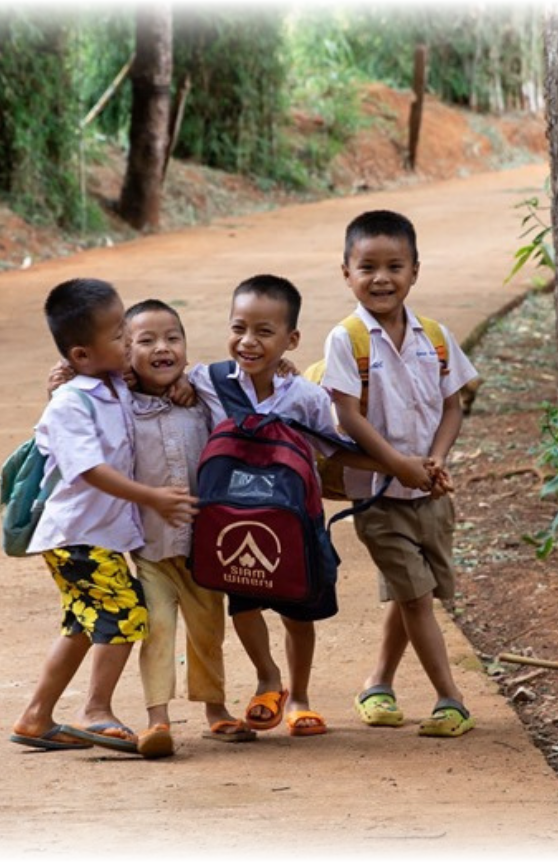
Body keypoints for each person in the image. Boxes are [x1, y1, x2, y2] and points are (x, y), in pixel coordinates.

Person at [189, 274, 431, 738]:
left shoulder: (304, 396)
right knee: (243, 604)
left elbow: (335, 449)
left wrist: (398, 465)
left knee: (299, 610)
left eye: (265, 331)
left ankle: (299, 697)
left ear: (291, 339)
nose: (248, 341)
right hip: (234, 522)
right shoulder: (206, 381)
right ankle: (268, 678)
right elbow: (148, 377)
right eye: (239, 328)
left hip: (297, 522)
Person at [9, 278, 197, 756]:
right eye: (118, 336)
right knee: (126, 613)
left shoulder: (114, 385)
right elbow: (89, 470)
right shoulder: (73, 403)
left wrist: (181, 382)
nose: (130, 341)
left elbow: (154, 381)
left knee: (81, 624)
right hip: (76, 536)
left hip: (97, 537)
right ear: (81, 355)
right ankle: (95, 709)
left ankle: (36, 717)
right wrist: (151, 496)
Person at [321, 209, 479, 737]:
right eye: (367, 267)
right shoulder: (347, 339)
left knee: (419, 590)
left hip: (430, 493)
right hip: (379, 498)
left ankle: (377, 683)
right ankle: (450, 699)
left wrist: (435, 460)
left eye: (395, 266)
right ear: (346, 273)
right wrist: (397, 466)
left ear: (415, 271)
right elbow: (347, 416)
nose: (381, 278)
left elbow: (452, 406)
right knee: (414, 595)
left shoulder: (433, 337)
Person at [122, 299, 256, 758]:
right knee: (156, 628)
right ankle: (156, 719)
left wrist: (191, 382)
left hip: (204, 547)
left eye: (172, 338)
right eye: (146, 341)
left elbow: (244, 383)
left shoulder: (198, 398)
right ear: (125, 353)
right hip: (150, 547)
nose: (162, 348)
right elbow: (80, 411)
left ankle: (215, 709)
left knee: (207, 630)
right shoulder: (121, 403)